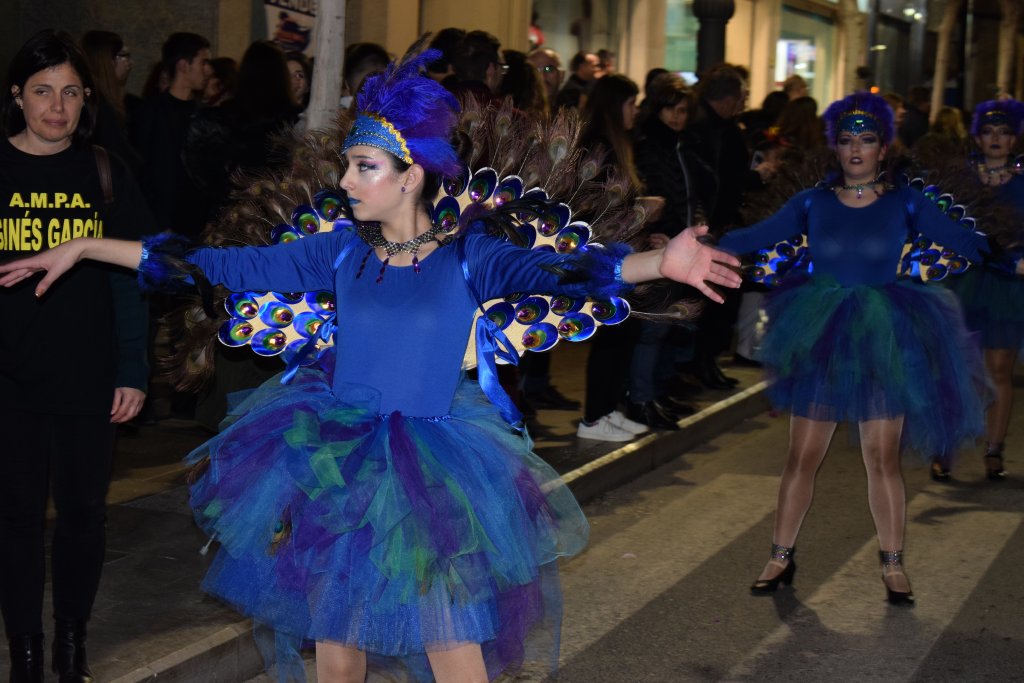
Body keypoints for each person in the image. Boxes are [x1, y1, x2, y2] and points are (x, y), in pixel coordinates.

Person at [0, 46, 741, 682]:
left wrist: (660, 262)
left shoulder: (469, 256)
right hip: (339, 464)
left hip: (432, 471)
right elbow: (218, 264)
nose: (347, 182)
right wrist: (89, 246)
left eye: (364, 167)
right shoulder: (339, 251)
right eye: (349, 167)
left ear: (410, 175)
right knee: (336, 651)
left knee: (453, 647)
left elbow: (569, 273)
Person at [716, 93, 1015, 606]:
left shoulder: (906, 202)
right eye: (847, 140)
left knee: (881, 458)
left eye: (867, 139)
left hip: (884, 335)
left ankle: (893, 564)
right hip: (822, 335)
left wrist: (1013, 262)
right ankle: (780, 557)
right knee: (801, 456)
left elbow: (965, 240)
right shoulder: (811, 202)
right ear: (835, 147)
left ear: (883, 148)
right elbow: (752, 236)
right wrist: (693, 244)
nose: (856, 149)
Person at [0, 29, 150, 682]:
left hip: (88, 376)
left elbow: (132, 280)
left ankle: (70, 645)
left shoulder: (105, 172)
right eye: (42, 91)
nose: (56, 107)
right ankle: (26, 654)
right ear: (17, 95)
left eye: (69, 92)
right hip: (8, 380)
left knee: (84, 516)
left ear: (87, 97)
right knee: (15, 519)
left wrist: (133, 369)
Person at [939, 99, 1024, 481]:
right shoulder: (961, 181)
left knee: (1000, 369)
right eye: (988, 132)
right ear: (977, 137)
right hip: (966, 279)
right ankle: (946, 445)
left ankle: (994, 449)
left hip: (1009, 282)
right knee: (960, 368)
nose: (996, 139)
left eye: (1004, 133)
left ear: (1014, 139)